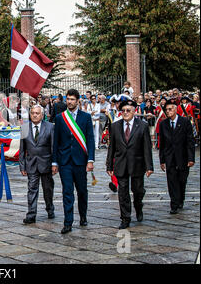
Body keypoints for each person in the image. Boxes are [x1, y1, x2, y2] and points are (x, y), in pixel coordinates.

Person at [52, 89, 95, 234]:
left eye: (72, 99)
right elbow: (56, 141)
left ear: (78, 101)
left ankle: (83, 216)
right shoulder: (60, 118)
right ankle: (68, 222)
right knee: (67, 192)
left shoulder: (85, 117)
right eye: (67, 99)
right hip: (65, 161)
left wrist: (90, 160)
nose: (69, 102)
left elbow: (90, 139)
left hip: (80, 161)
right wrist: (54, 162)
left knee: (82, 191)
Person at [106, 100, 154, 229]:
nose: (126, 113)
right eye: (124, 111)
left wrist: (149, 166)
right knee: (123, 192)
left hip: (137, 163)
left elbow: (147, 148)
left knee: (137, 190)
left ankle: (138, 206)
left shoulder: (142, 126)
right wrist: (109, 165)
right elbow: (112, 147)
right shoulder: (115, 126)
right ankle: (125, 218)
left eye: (128, 110)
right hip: (121, 163)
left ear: (134, 112)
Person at [20, 105, 55, 224]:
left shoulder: (50, 127)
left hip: (46, 163)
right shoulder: (24, 128)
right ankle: (31, 214)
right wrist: (22, 166)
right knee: (32, 189)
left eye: (37, 113)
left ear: (42, 115)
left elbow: (53, 147)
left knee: (48, 190)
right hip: (31, 164)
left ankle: (50, 208)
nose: (34, 115)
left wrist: (55, 164)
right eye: (33, 113)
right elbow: (22, 149)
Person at [159, 99, 195, 214]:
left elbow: (190, 141)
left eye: (170, 109)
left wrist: (191, 158)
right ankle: (174, 204)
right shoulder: (163, 124)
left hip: (183, 156)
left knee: (182, 180)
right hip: (169, 157)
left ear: (175, 109)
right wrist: (162, 160)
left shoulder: (185, 122)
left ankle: (180, 199)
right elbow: (162, 143)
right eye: (166, 109)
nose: (168, 111)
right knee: (172, 181)